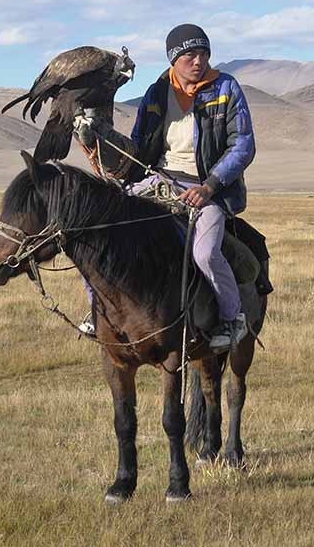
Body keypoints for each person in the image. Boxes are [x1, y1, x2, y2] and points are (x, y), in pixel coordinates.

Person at [78, 24, 255, 353]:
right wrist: (98, 138)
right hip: (158, 179)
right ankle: (97, 311)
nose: (198, 61)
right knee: (100, 234)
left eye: (203, 53)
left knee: (205, 253)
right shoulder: (157, 93)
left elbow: (243, 145)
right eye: (189, 55)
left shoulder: (226, 88)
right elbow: (138, 145)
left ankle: (233, 318)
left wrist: (209, 186)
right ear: (173, 59)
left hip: (208, 187)